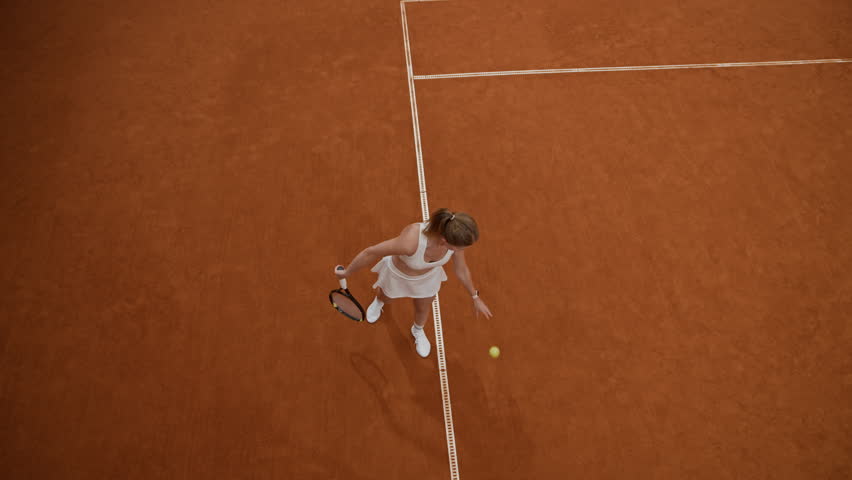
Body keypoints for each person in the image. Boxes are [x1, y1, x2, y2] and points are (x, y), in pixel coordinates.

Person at [334, 208, 493, 358]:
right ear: (444, 240)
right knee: (385, 296)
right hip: (397, 275)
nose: (460, 250)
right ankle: (379, 302)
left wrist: (475, 297)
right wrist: (347, 272)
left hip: (426, 279)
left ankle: (417, 330)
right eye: (458, 248)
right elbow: (371, 252)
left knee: (423, 307)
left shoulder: (454, 241)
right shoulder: (411, 241)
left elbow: (462, 270)